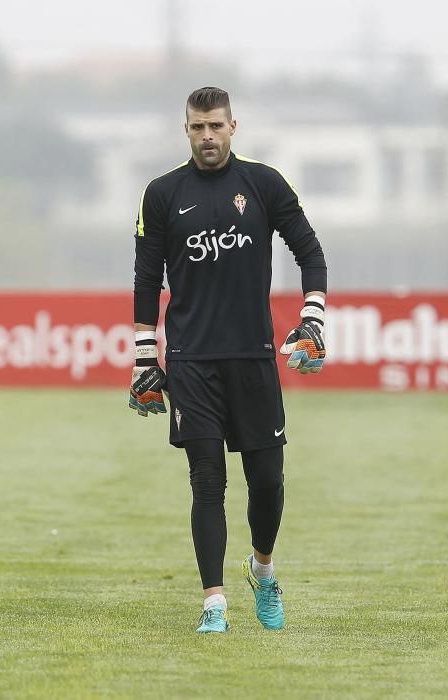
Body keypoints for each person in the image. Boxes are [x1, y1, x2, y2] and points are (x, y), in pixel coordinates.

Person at [129, 86, 328, 633]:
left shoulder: (263, 184)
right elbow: (148, 282)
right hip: (192, 362)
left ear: (233, 128)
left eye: (216, 126)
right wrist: (145, 358)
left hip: (253, 356)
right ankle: (213, 603)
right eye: (197, 127)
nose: (207, 136)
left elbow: (310, 254)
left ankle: (262, 571)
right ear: (186, 130)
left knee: (267, 480)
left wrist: (312, 321)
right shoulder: (162, 194)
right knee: (206, 479)